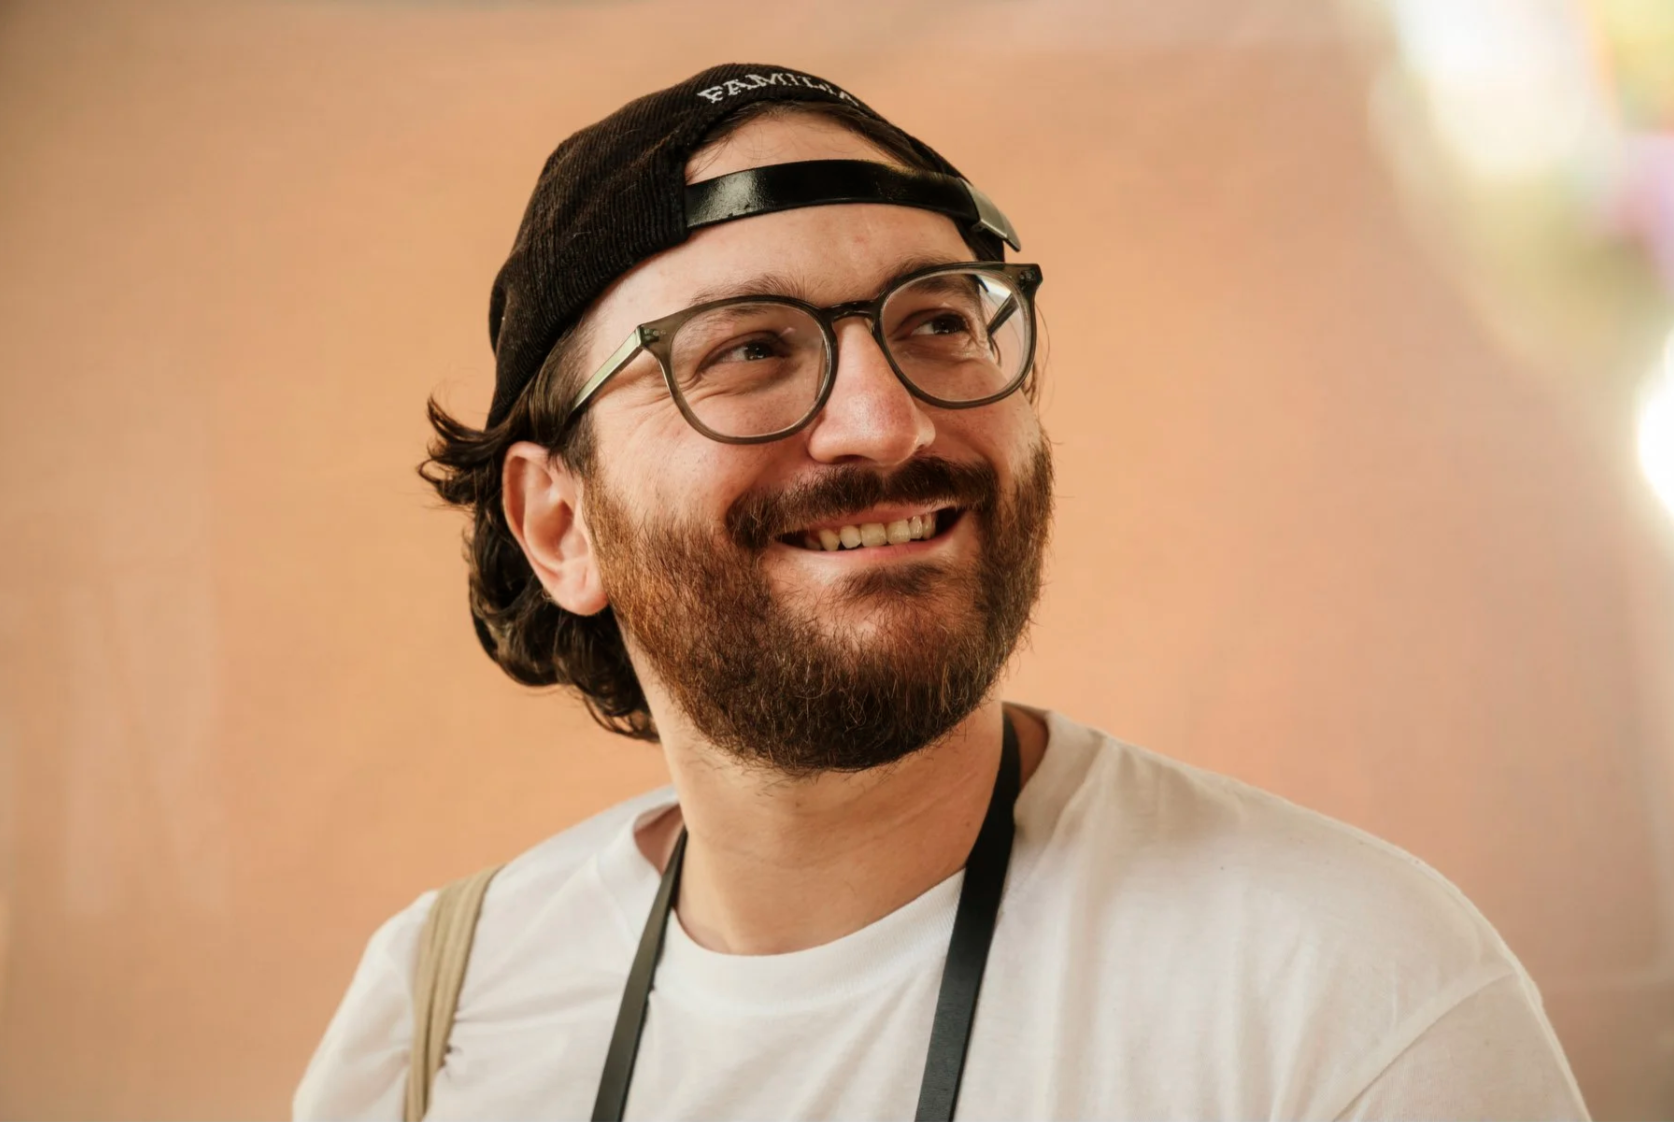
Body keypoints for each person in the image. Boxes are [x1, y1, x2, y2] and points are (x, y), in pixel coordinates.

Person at [294, 63, 1589, 1120]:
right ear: (558, 523)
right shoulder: (437, 1010)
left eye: (936, 323)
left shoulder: (1345, 987)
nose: (885, 420)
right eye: (747, 348)